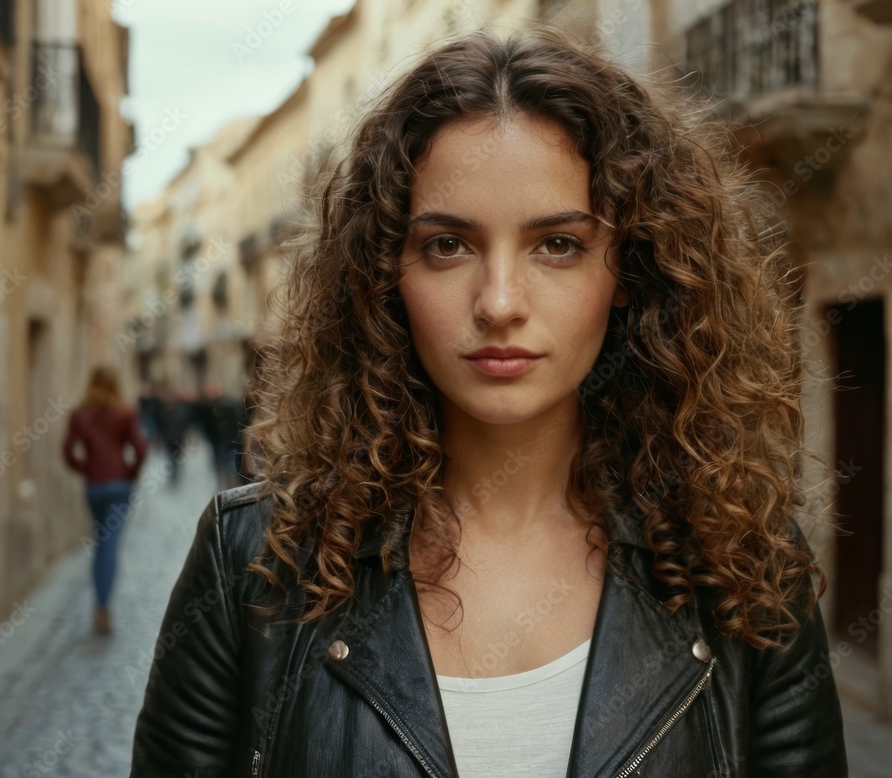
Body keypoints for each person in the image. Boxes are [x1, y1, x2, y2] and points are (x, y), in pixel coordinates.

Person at [130, 26, 848, 777]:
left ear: (632, 269)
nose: (499, 302)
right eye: (448, 244)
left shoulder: (744, 568)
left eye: (558, 245)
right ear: (384, 275)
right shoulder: (251, 563)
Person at [63, 365, 148, 635]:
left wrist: (85, 469)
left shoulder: (80, 414)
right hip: (118, 486)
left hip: (94, 487)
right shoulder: (124, 413)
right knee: (110, 544)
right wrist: (129, 474)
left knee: (100, 542)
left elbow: (67, 452)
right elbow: (141, 448)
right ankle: (102, 607)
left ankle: (100, 605)